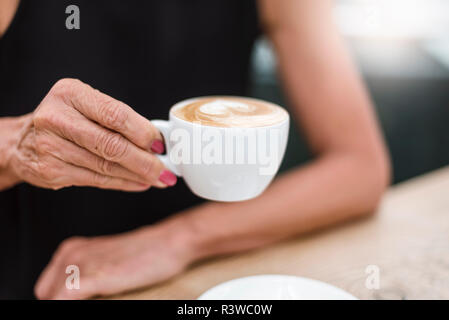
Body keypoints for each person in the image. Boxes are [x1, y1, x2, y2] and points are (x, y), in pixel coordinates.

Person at [0, 0, 390, 299]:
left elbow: (360, 165)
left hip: (196, 282)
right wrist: (18, 146)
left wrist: (176, 241)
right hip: (37, 278)